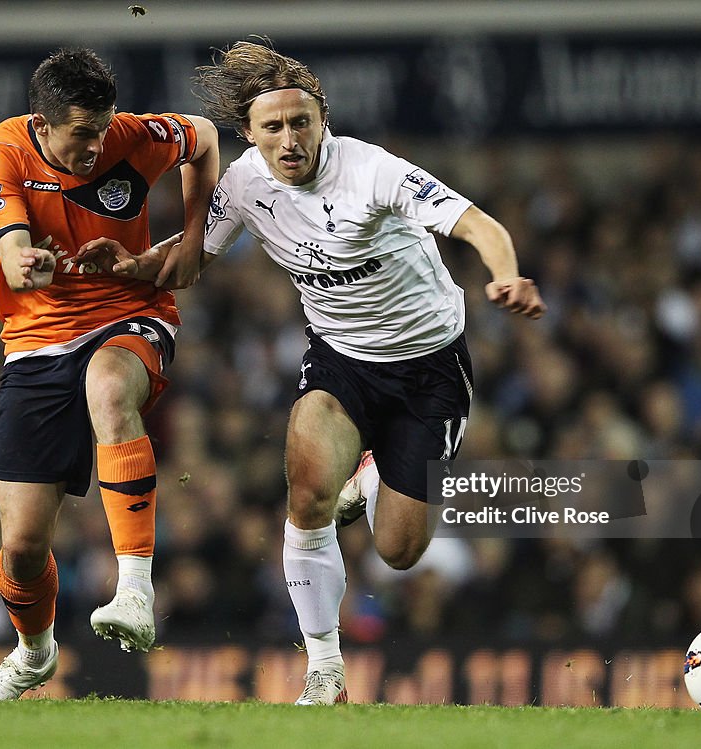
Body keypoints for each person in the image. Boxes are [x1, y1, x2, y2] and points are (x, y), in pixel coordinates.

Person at [192, 40, 545, 705]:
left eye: (303, 122)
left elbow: (477, 223)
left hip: (428, 369)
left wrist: (507, 275)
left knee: (400, 552)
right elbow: (188, 263)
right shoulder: (242, 184)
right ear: (251, 134)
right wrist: (117, 269)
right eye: (275, 127)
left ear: (322, 119)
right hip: (340, 360)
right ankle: (323, 666)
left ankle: (376, 470)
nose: (291, 137)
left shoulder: (373, 170)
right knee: (304, 492)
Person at [0, 47, 219, 700]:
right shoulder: (1, 152)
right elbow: (13, 247)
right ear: (41, 123)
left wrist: (192, 238)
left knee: (109, 387)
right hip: (38, 338)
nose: (96, 145)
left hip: (130, 312)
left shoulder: (132, 136)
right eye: (81, 133)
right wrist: (26, 265)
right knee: (22, 545)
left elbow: (206, 137)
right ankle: (33, 651)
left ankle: (134, 590)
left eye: (102, 128)